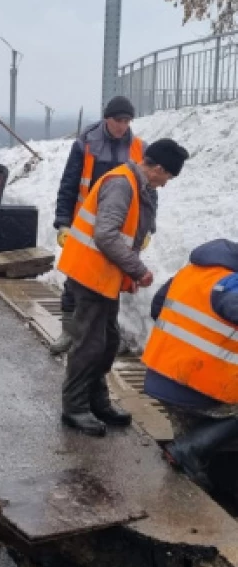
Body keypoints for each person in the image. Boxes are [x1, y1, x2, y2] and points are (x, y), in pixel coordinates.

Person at [57, 138, 189, 436]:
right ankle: (75, 407)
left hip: (104, 276)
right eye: (167, 176)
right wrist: (137, 268)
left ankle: (96, 400)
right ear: (156, 167)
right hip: (90, 273)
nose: (165, 183)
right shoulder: (122, 184)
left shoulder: (135, 184)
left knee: (106, 340)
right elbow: (105, 234)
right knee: (90, 344)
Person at [51, 96, 148, 355]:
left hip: (118, 229)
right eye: (118, 120)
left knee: (111, 280)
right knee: (75, 279)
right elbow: (69, 184)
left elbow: (149, 192)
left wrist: (148, 228)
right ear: (107, 119)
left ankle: (103, 335)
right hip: (84, 226)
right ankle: (69, 332)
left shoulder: (138, 149)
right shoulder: (86, 144)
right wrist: (63, 223)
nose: (123, 126)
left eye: (127, 121)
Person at [142, 240, 238, 487]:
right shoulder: (229, 283)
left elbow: (156, 307)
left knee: (191, 440)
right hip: (195, 387)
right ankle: (189, 452)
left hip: (162, 379)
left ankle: (194, 472)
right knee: (195, 441)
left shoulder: (188, 272)